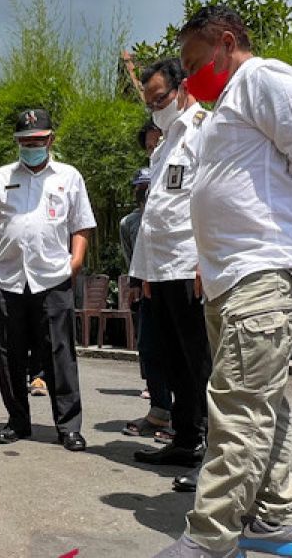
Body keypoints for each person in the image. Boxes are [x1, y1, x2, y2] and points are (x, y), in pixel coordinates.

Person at [153, 6, 292, 558]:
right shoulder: (224, 107)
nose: (189, 79)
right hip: (230, 276)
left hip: (264, 271)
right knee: (263, 402)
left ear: (226, 42)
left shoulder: (261, 79)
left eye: (194, 64)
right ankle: (272, 521)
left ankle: (210, 540)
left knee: (236, 404)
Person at [0, 108, 96, 451]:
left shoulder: (69, 176)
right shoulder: (1, 177)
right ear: (17, 143)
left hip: (52, 277)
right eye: (25, 141)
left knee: (60, 353)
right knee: (9, 354)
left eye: (38, 141)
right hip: (8, 279)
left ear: (50, 140)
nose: (31, 146)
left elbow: (81, 224)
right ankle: (17, 421)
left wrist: (75, 261)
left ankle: (68, 426)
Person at [131, 58, 212, 495]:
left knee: (201, 364)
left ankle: (212, 452)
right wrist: (144, 272)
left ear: (183, 88)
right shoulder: (164, 144)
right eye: (149, 103)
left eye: (159, 99)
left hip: (189, 266)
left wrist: (205, 259)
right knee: (172, 362)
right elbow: (158, 212)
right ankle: (183, 440)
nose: (155, 108)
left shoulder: (205, 129)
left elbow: (211, 198)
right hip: (160, 271)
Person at [120, 167, 173, 443]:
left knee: (180, 353)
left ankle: (190, 419)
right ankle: (159, 409)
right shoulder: (129, 223)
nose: (144, 192)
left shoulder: (174, 210)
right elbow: (132, 256)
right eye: (140, 187)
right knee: (149, 348)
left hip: (176, 280)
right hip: (146, 286)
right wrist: (135, 283)